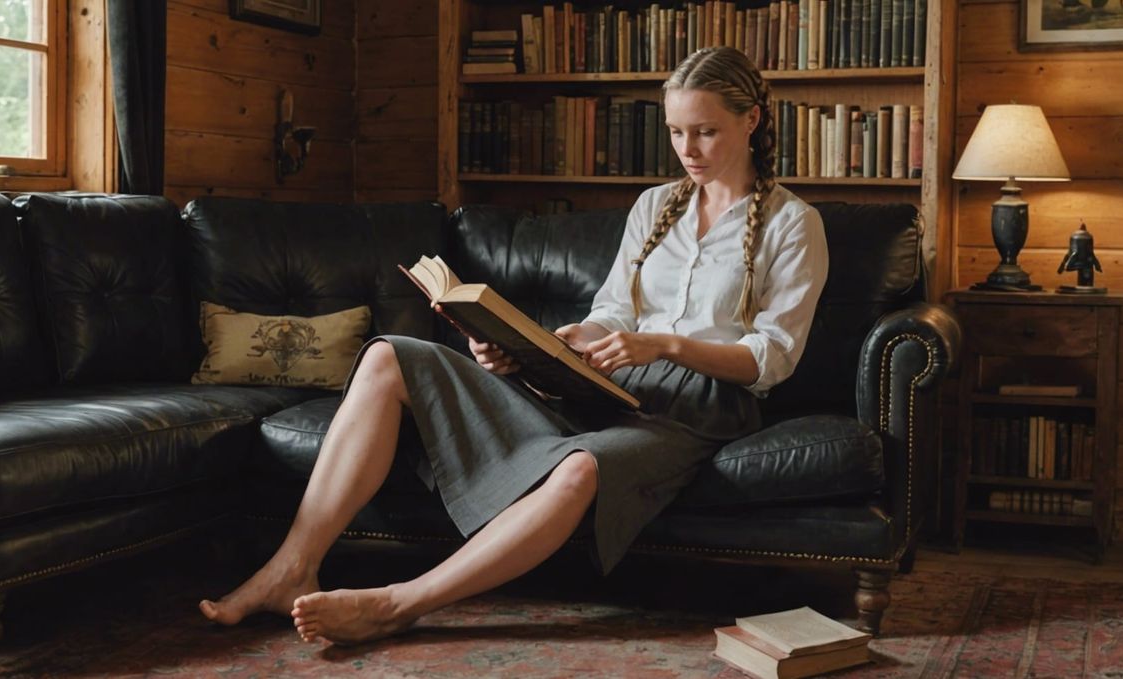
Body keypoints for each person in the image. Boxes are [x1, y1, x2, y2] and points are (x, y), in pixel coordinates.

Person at [198, 45, 829, 646]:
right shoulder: (654, 206)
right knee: (393, 356)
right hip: (603, 387)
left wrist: (664, 345)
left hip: (694, 412)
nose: (687, 149)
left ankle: (399, 604)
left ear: (752, 119)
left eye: (706, 132)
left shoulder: (793, 223)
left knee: (580, 467)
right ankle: (292, 566)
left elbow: (771, 358)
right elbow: (608, 313)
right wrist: (548, 344)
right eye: (675, 132)